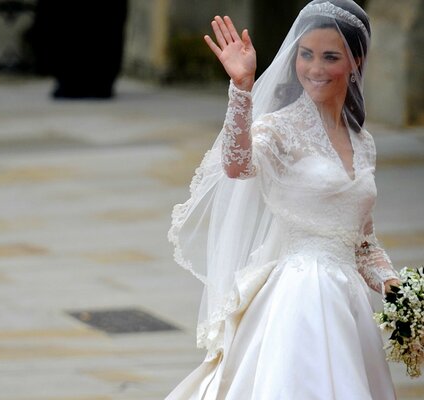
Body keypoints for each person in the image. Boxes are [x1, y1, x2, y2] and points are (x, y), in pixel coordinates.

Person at [166, 1, 400, 398]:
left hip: (350, 307)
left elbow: (362, 243)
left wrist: (399, 290)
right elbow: (238, 165)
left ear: (356, 61)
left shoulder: (364, 143)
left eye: (330, 57)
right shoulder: (280, 128)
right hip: (299, 295)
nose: (314, 69)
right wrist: (241, 89)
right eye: (306, 55)